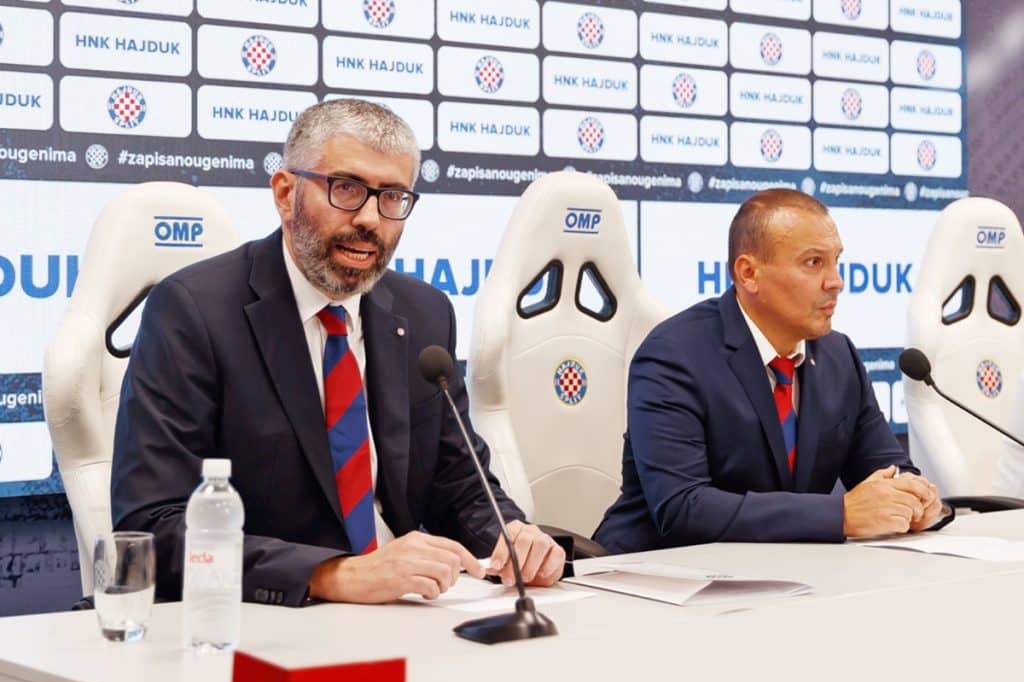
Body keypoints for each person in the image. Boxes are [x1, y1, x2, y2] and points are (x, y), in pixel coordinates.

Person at [111, 99, 564, 606]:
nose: (371, 219)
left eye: (392, 197)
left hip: (406, 613)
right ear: (286, 193)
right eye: (346, 189)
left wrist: (509, 534)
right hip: (272, 618)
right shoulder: (194, 311)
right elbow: (154, 525)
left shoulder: (424, 313)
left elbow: (459, 484)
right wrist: (332, 575)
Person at [593, 189, 944, 553]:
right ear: (749, 273)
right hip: (651, 571)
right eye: (813, 262)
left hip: (784, 570)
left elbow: (884, 466)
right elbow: (684, 508)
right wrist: (840, 514)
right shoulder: (674, 355)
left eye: (836, 261)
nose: (836, 281)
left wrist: (913, 497)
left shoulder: (839, 356)